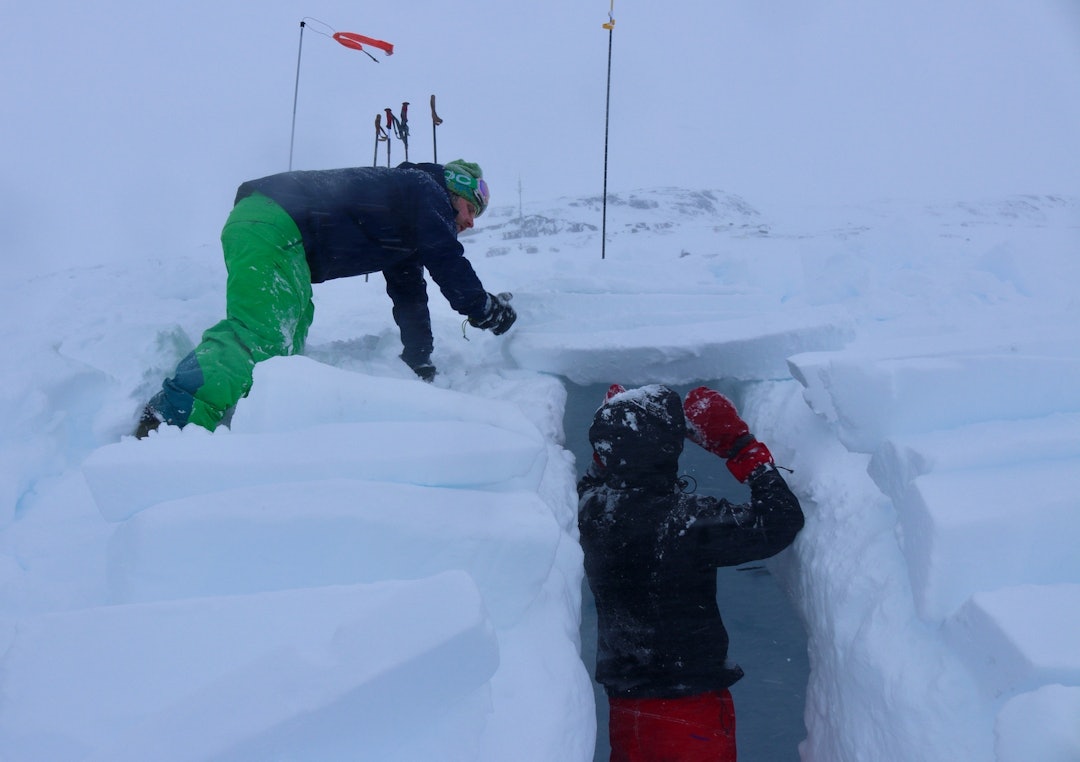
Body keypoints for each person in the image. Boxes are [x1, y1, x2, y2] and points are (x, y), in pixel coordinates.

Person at [135, 159, 516, 438]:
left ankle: (250, 414)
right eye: (471, 209)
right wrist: (483, 308)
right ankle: (170, 420)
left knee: (290, 334)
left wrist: (419, 358)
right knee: (262, 332)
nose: (471, 222)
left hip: (281, 234)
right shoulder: (424, 188)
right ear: (454, 190)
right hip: (273, 221)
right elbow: (447, 258)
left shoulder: (410, 216)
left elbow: (410, 295)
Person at [577, 383, 804, 762]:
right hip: (688, 712)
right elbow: (779, 520)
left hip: (627, 709)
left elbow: (592, 480)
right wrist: (741, 448)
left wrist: (613, 434)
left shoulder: (592, 511)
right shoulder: (687, 519)